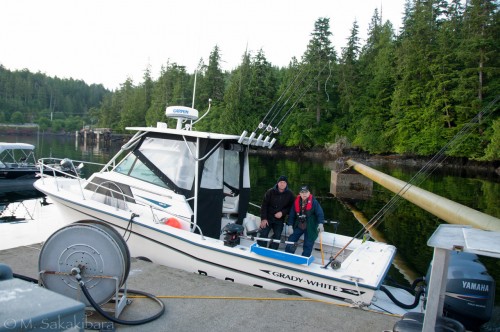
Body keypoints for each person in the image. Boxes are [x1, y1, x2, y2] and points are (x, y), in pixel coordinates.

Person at [285, 185, 325, 257]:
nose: (304, 194)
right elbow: (292, 215)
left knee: (308, 243)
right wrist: (290, 225)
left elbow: (320, 213)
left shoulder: (314, 202)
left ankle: (304, 258)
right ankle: (288, 255)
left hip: (310, 226)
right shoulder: (296, 202)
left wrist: (321, 224)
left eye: (306, 192)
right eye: (302, 192)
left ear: (309, 193)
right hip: (299, 225)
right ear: (299, 194)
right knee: (291, 240)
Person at [258, 175, 295, 249]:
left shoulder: (290, 194)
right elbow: (264, 206)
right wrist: (263, 219)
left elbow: (291, 208)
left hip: (279, 219)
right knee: (263, 233)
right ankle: (261, 249)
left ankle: (272, 250)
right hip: (268, 217)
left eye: (284, 182)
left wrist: (282, 213)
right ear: (277, 183)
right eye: (281, 182)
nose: (282, 184)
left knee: (277, 236)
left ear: (286, 184)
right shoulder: (270, 192)